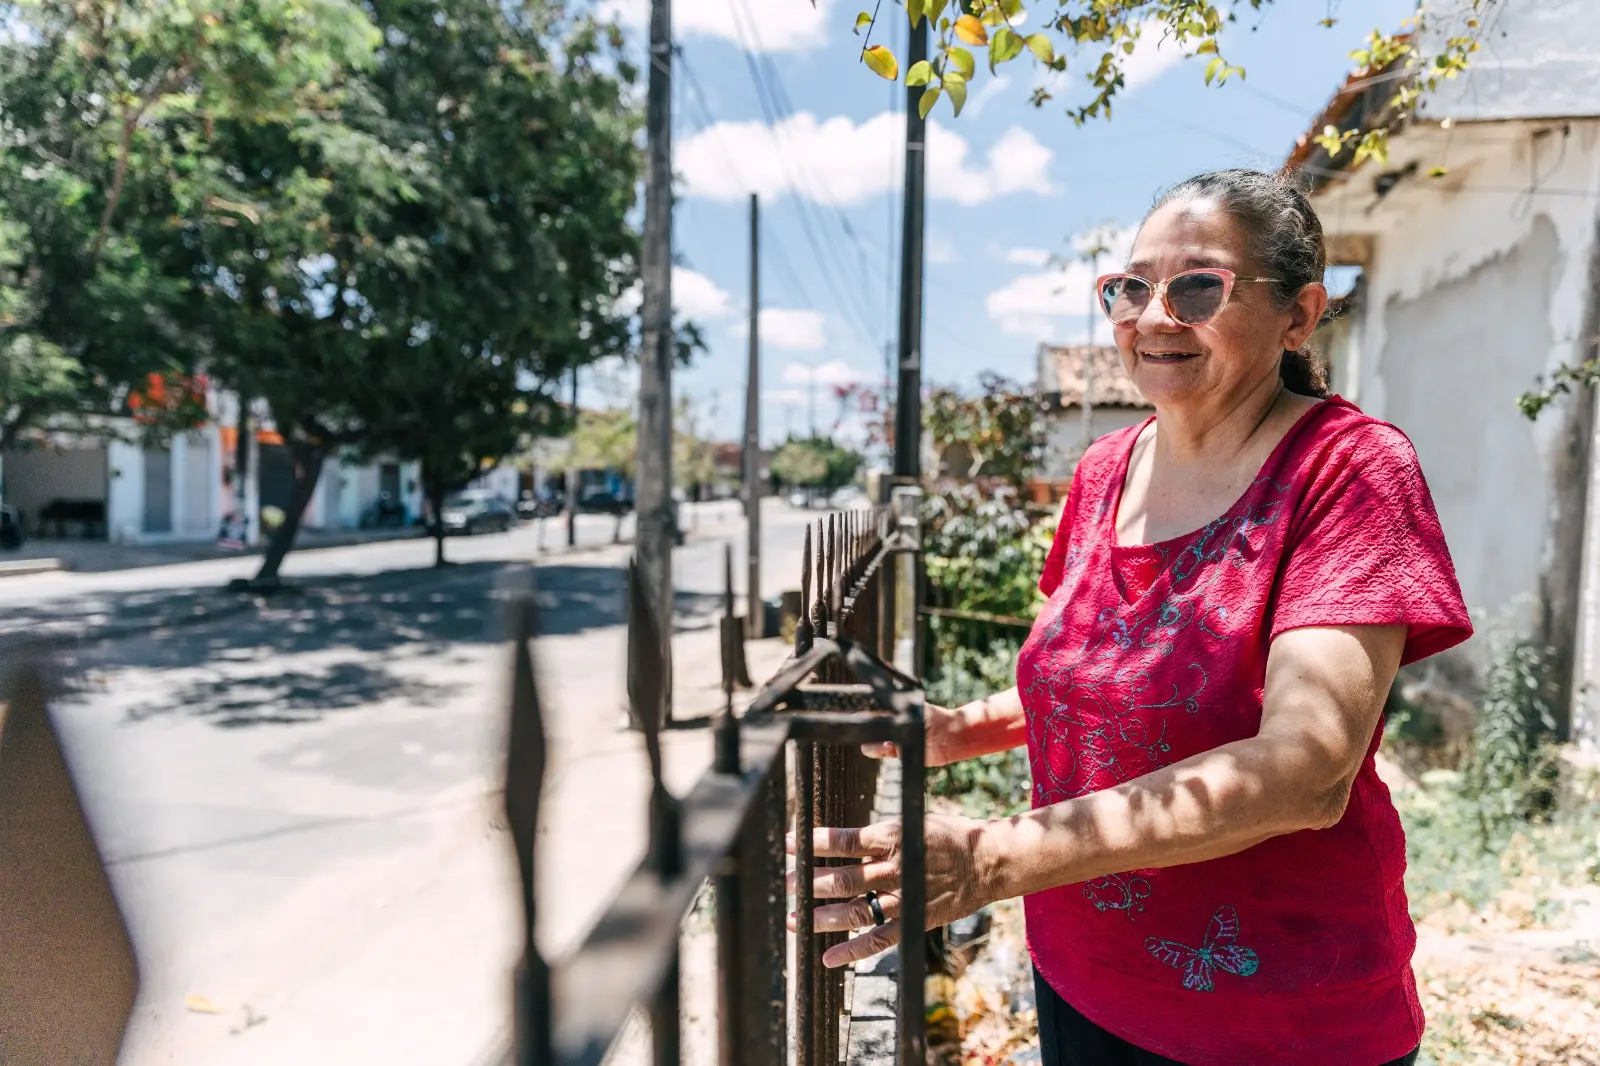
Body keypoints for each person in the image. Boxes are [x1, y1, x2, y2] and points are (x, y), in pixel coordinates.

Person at [789, 169, 1471, 1066]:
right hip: (1081, 972)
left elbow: (1306, 772)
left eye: (1198, 287)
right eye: (1129, 288)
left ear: (1299, 314)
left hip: (1276, 1019)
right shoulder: (1105, 469)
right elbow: (1111, 678)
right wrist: (961, 732)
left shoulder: (1345, 471)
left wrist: (991, 860)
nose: (1153, 317)